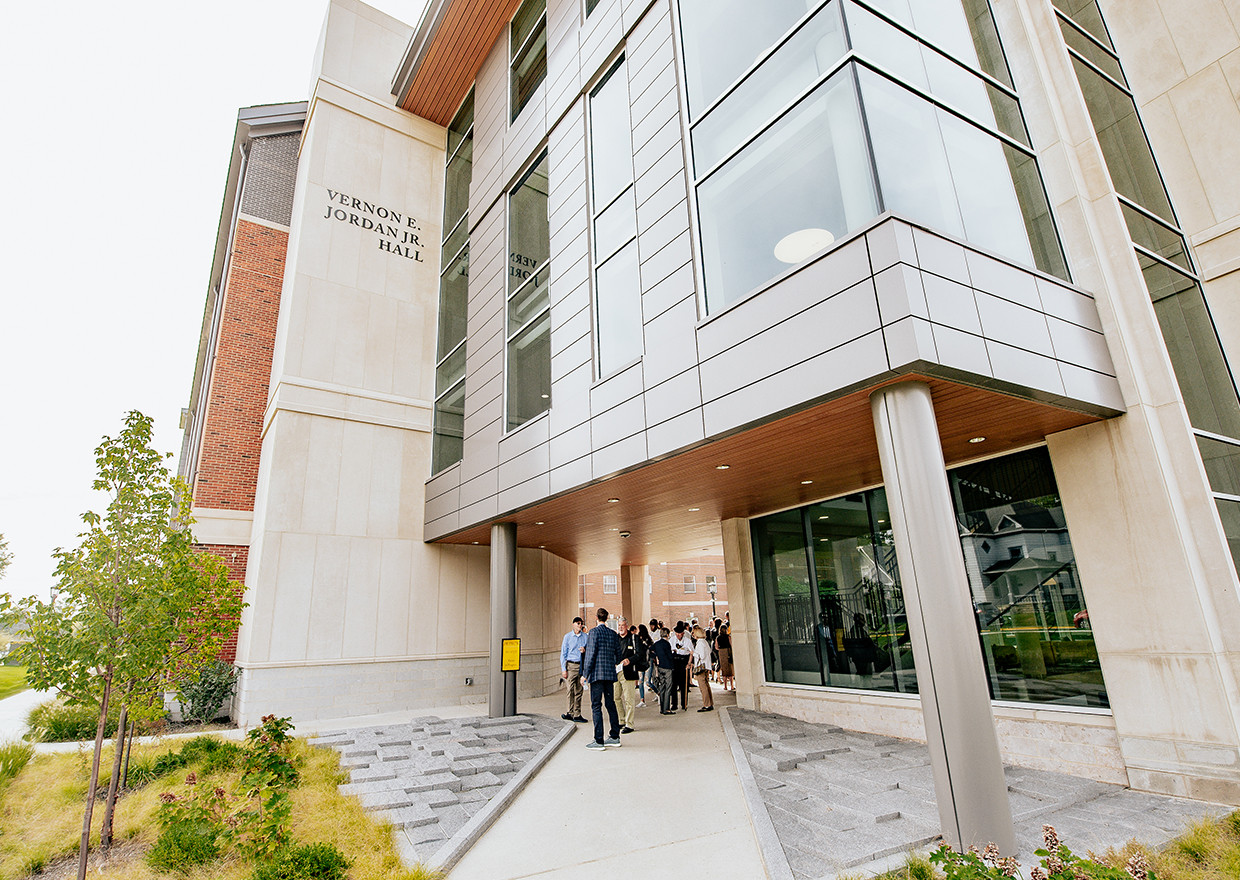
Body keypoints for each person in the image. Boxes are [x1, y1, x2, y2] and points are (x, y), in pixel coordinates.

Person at [581, 606, 626, 750]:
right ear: (606, 618)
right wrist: (611, 662)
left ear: (596, 618)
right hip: (609, 674)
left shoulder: (593, 633)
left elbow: (590, 654)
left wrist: (584, 674)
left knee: (596, 706)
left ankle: (598, 740)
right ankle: (614, 736)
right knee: (610, 704)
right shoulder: (613, 634)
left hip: (596, 675)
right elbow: (619, 655)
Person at [559, 616, 588, 722]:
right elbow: (563, 653)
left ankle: (577, 714)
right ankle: (569, 712)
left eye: (581, 623)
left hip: (581, 665)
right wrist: (564, 669)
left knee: (579, 690)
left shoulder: (585, 637)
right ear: (573, 624)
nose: (579, 625)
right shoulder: (567, 637)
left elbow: (590, 650)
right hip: (571, 666)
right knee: (570, 689)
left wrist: (585, 650)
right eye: (577, 623)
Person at [615, 622, 640, 733]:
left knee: (629, 699)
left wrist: (630, 660)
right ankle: (621, 720)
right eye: (619, 625)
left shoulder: (633, 638)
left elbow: (640, 654)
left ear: (627, 626)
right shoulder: (615, 638)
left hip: (628, 672)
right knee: (616, 697)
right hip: (616, 671)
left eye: (623, 625)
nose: (621, 627)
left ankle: (629, 724)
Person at [648, 625, 675, 714]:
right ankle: (666, 708)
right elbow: (669, 656)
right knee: (668, 688)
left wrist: (655, 658)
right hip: (667, 667)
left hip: (660, 667)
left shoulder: (657, 643)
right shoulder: (667, 644)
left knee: (662, 687)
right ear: (667, 634)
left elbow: (650, 650)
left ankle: (662, 708)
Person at [670, 621, 693, 711]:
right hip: (675, 661)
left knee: (684, 685)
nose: (678, 635)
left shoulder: (687, 641)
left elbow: (691, 653)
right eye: (677, 633)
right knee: (673, 685)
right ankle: (674, 704)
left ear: (683, 633)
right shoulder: (672, 640)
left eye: (680, 633)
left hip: (684, 661)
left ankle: (684, 703)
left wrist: (689, 663)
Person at [691, 625, 714, 711]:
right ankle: (710, 703)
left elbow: (702, 656)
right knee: (706, 685)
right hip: (706, 666)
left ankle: (706, 704)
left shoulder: (700, 643)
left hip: (701, 667)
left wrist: (693, 653)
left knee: (703, 687)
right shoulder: (704, 642)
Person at [635, 623, 653, 707]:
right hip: (641, 662)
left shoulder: (647, 640)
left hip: (647, 662)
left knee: (648, 682)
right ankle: (642, 699)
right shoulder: (638, 639)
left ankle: (659, 693)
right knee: (641, 681)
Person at [715, 617, 734, 691]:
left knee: (724, 670)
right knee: (730, 669)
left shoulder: (718, 637)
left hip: (721, 653)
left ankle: (725, 686)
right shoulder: (728, 637)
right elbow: (731, 645)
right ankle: (732, 686)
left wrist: (721, 650)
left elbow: (716, 647)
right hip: (728, 651)